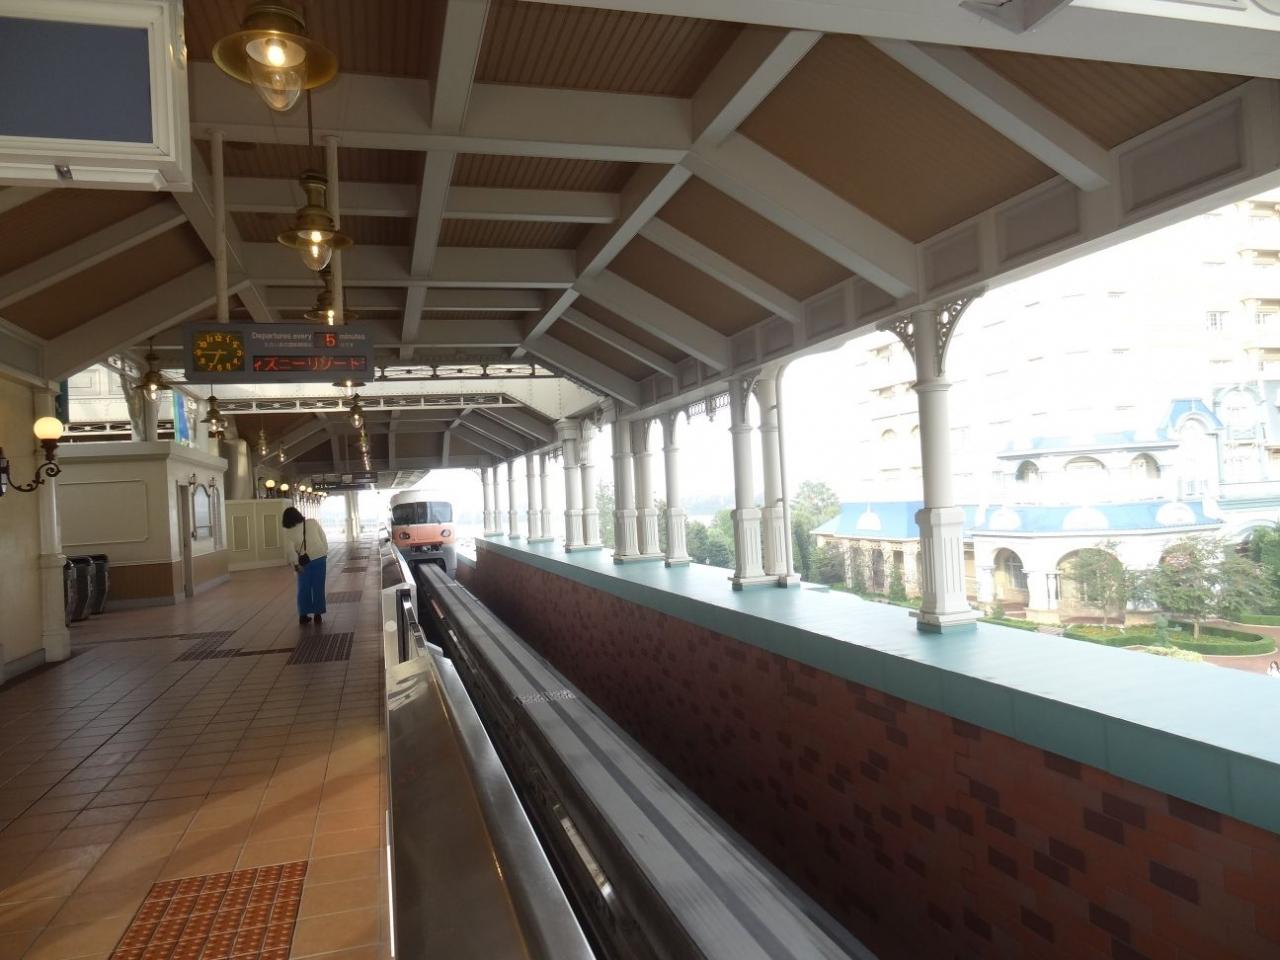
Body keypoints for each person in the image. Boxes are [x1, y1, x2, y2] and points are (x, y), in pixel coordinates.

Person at [282, 507, 328, 625]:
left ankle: (303, 615)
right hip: (319, 558)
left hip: (304, 563)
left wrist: (296, 565)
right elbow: (323, 537)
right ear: (298, 514)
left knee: (303, 588)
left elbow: (290, 551)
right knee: (318, 587)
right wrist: (324, 550)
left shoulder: (289, 532)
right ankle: (318, 614)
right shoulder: (312, 522)